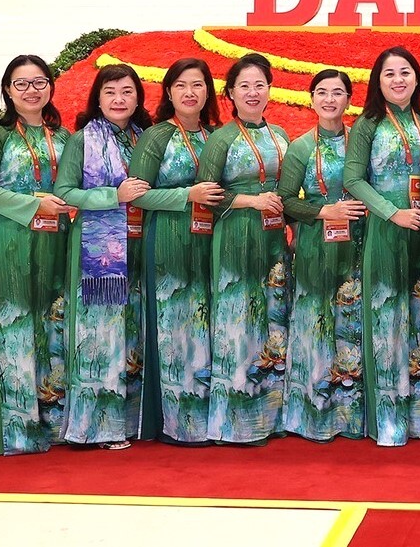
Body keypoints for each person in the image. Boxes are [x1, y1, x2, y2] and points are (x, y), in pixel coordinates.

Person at [0, 55, 70, 455]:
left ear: (50, 86)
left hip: (56, 240)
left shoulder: (62, 135)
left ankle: (55, 422)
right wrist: (32, 204)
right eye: (21, 83)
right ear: (8, 91)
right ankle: (15, 428)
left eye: (39, 82)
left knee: (53, 326)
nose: (31, 90)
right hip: (10, 238)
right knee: (13, 326)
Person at [343, 46, 420, 446]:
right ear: (377, 82)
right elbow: (353, 180)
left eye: (405, 72)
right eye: (389, 74)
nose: (398, 80)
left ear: (417, 78)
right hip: (386, 230)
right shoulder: (367, 124)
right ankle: (388, 420)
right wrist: (391, 212)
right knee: (387, 318)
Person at [125, 58, 225, 445]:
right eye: (181, 85)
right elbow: (138, 195)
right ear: (168, 92)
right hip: (167, 236)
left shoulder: (215, 135)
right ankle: (174, 421)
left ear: (208, 91)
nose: (189, 92)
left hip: (209, 240)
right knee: (172, 324)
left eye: (197, 85)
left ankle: (209, 415)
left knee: (206, 321)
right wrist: (187, 195)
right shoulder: (157, 137)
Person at [195, 54, 292, 444]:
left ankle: (271, 415)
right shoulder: (221, 139)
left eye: (260, 85)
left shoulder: (280, 135)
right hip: (235, 235)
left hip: (273, 239)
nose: (253, 93)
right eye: (244, 86)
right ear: (231, 93)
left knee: (273, 318)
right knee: (237, 321)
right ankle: (232, 421)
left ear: (269, 90)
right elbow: (206, 195)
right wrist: (252, 201)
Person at [54, 64, 152, 450]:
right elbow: (65, 191)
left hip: (140, 243)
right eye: (110, 92)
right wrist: (114, 196)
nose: (119, 99)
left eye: (127, 92)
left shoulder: (145, 138)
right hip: (99, 250)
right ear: (97, 98)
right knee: (99, 332)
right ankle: (96, 426)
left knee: (133, 330)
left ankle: (132, 421)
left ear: (138, 98)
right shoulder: (83, 140)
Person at [278, 69, 370, 442]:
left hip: (360, 244)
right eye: (321, 92)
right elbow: (285, 201)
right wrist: (322, 211)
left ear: (349, 99)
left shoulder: (361, 143)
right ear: (311, 98)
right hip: (317, 244)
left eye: (337, 92)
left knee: (354, 323)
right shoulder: (301, 147)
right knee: (316, 323)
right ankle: (313, 414)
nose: (329, 99)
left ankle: (354, 415)